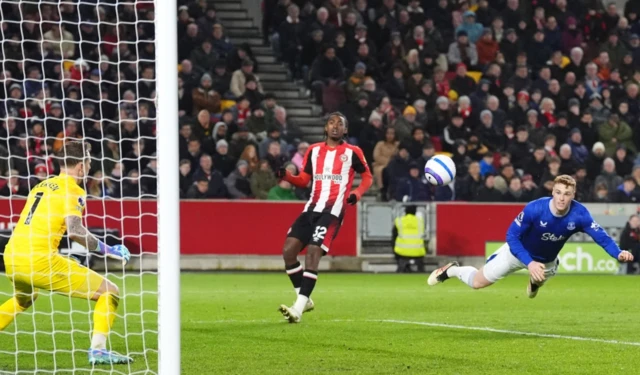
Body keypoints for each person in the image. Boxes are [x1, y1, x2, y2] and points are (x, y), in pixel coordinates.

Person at [0, 142, 132, 365]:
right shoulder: (74, 190)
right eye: (89, 163)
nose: (89, 168)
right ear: (81, 166)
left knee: (24, 300)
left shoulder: (42, 185)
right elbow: (75, 231)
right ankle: (98, 351)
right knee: (110, 291)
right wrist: (108, 249)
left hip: (12, 257)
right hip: (39, 261)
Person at [427, 175, 634, 297]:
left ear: (573, 195)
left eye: (567, 194)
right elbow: (511, 235)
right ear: (553, 192)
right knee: (477, 283)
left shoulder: (580, 214)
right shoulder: (535, 209)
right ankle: (452, 271)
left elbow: (602, 237)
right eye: (559, 192)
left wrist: (617, 253)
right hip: (518, 254)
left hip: (547, 262)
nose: (562, 198)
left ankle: (535, 282)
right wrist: (530, 262)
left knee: (538, 281)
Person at [276, 113, 372, 323]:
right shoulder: (314, 150)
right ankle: (305, 298)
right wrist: (288, 177)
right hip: (311, 209)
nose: (335, 126)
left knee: (313, 252)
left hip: (332, 212)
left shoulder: (352, 152)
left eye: (340, 124)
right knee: (288, 251)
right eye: (331, 123)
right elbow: (303, 180)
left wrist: (357, 193)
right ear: (326, 128)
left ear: (345, 130)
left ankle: (298, 309)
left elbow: (367, 176)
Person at [392, 205, 426, 273]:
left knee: (395, 248)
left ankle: (402, 269)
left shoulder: (399, 220)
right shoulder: (420, 221)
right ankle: (420, 270)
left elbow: (394, 237)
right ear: (415, 212)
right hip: (418, 252)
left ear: (405, 212)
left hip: (401, 252)